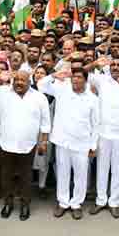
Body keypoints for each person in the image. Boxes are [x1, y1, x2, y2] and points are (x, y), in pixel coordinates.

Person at [0, 70, 52, 221]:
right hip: (6, 143)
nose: (19, 83)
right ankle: (8, 203)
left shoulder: (39, 97)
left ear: (29, 82)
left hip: (29, 144)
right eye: (16, 79)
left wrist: (43, 142)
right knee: (6, 176)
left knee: (26, 176)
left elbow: (46, 123)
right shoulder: (2, 92)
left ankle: (25, 204)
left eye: (22, 80)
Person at [37, 67, 100, 219]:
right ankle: (63, 202)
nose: (76, 79)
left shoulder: (93, 99)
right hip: (62, 141)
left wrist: (93, 145)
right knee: (62, 173)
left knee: (80, 175)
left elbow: (96, 123)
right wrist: (54, 75)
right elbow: (40, 85)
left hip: (82, 143)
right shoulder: (62, 90)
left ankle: (77, 203)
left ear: (85, 80)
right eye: (74, 77)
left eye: (79, 77)